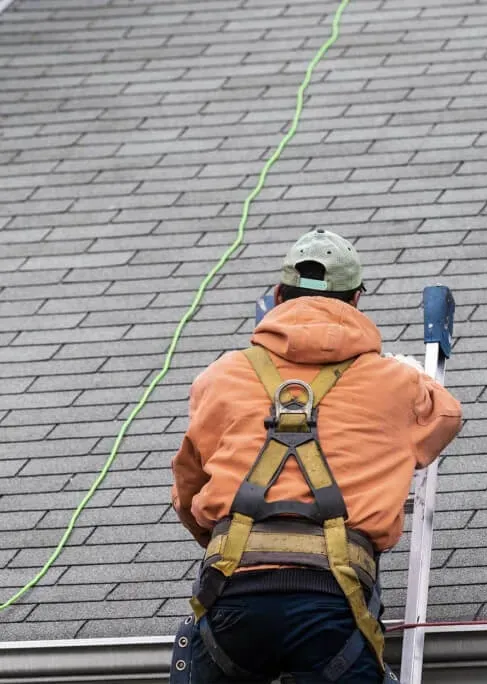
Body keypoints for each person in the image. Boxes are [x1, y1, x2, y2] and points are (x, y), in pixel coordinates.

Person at [169, 228, 463, 683]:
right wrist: (407, 388)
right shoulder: (392, 384)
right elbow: (445, 417)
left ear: (278, 296)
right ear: (356, 301)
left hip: (233, 594)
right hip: (333, 601)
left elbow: (189, 489)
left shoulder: (222, 377)